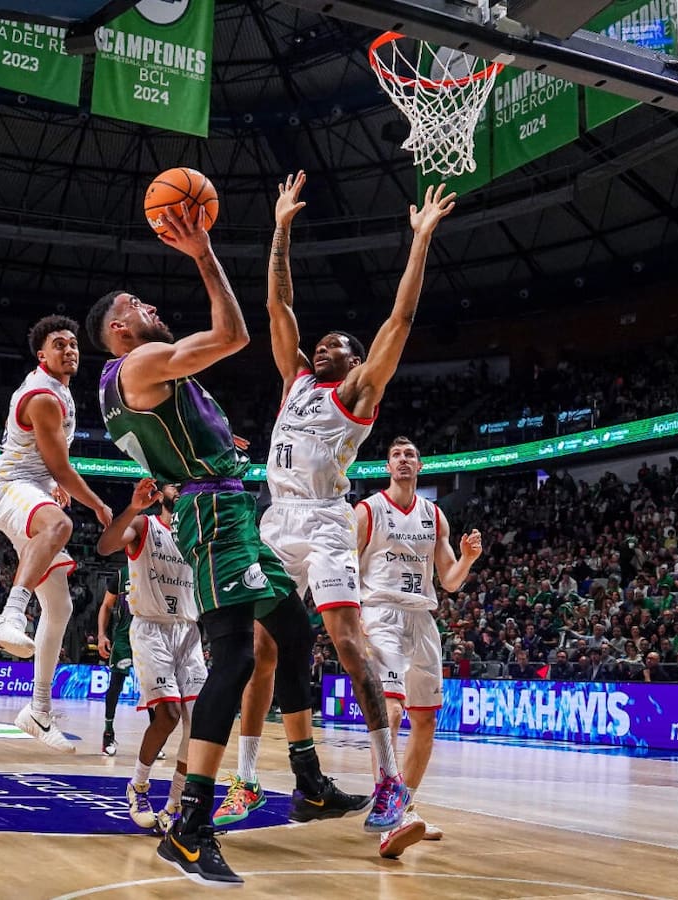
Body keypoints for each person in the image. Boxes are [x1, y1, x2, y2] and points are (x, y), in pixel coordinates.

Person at [87, 202, 352, 885]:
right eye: (137, 304)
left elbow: (167, 441)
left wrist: (210, 446)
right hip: (212, 515)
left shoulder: (141, 383)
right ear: (119, 329)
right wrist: (203, 251)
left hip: (227, 506)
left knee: (293, 632)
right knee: (233, 659)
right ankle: (189, 827)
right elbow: (233, 334)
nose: (150, 307)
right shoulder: (137, 364)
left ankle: (308, 781)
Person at [251, 171, 455, 834]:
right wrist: (281, 229)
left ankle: (389, 782)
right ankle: (249, 779)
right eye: (321, 342)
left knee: (345, 641)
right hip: (277, 521)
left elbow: (400, 319)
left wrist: (419, 240)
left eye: (337, 343)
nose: (322, 345)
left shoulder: (358, 394)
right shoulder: (294, 381)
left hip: (325, 522)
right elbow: (279, 307)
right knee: (260, 648)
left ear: (357, 361)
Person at [0, 316, 113, 752]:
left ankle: (37, 710)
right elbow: (61, 467)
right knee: (60, 524)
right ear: (42, 355)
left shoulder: (60, 389)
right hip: (9, 489)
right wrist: (98, 504)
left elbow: (48, 461)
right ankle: (12, 614)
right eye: (59, 344)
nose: (70, 349)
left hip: (32, 488)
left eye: (74, 344)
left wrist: (51, 484)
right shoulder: (42, 396)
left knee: (61, 606)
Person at [355, 436, 482, 857]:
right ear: (388, 466)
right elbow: (346, 567)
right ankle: (387, 810)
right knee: (390, 711)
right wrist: (353, 617)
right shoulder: (368, 510)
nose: (403, 459)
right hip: (381, 614)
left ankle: (403, 808)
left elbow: (449, 581)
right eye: (396, 455)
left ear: (420, 466)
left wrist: (467, 559)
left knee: (425, 720)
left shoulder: (434, 515)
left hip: (422, 619)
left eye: (410, 455)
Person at [98, 479, 207, 833]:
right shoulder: (144, 525)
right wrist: (132, 507)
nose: (181, 490)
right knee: (169, 714)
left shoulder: (197, 533)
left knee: (199, 722)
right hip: (151, 628)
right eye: (174, 485)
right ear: (160, 494)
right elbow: (105, 546)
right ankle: (138, 786)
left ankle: (175, 804)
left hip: (188, 631)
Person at [97, 564, 134, 756]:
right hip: (124, 639)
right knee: (116, 685)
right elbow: (106, 605)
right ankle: (108, 734)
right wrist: (101, 635)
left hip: (150, 637)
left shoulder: (158, 567)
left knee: (153, 688)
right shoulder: (121, 575)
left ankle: (156, 741)